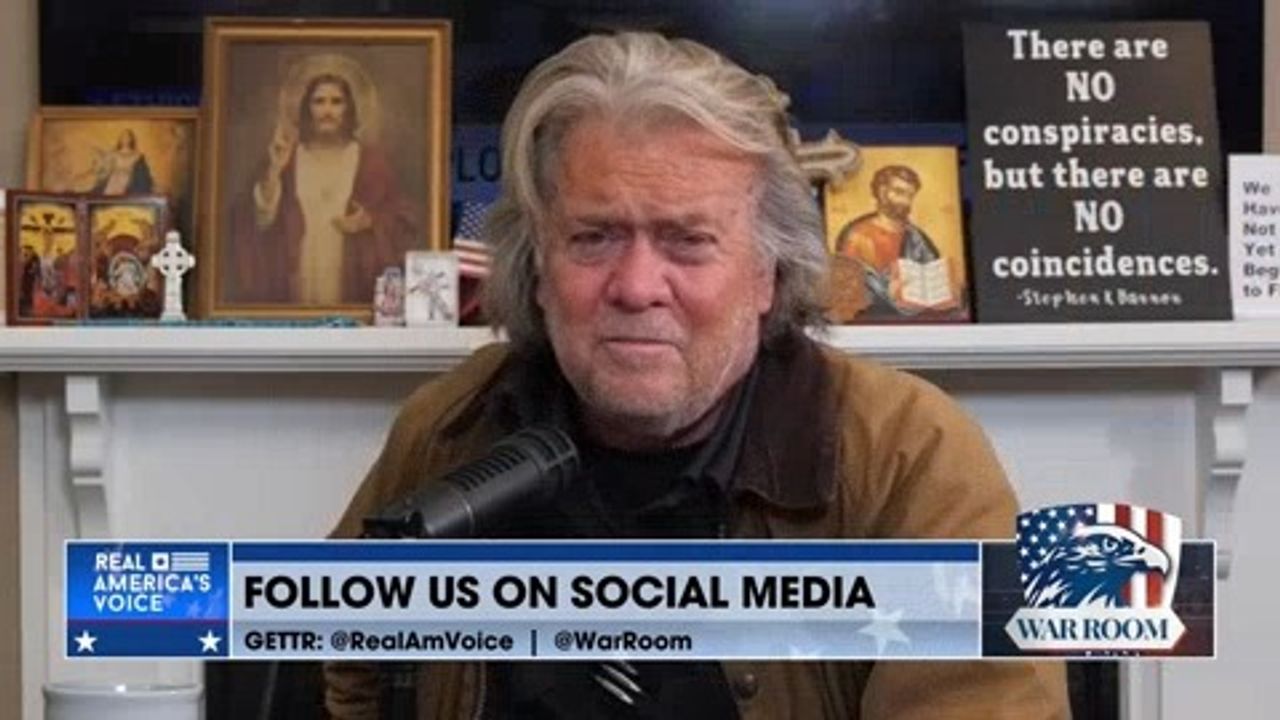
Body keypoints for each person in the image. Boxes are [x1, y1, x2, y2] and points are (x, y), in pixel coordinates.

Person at [326, 32, 1069, 719]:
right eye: (594, 237)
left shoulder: (912, 456)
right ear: (538, 267)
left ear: (768, 274)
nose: (636, 286)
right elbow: (335, 668)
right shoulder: (452, 427)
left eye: (687, 241)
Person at [229, 63, 417, 305]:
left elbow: (402, 218)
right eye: (319, 102)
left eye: (336, 102)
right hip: (298, 277)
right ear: (307, 108)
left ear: (349, 108)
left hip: (351, 277)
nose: (327, 111)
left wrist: (369, 221)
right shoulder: (287, 158)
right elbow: (257, 220)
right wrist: (275, 170)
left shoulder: (372, 163)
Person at [835, 165, 961, 315]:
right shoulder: (857, 235)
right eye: (899, 192)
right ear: (882, 192)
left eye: (910, 195)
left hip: (919, 317)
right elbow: (849, 285)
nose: (905, 201)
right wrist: (888, 290)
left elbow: (933, 274)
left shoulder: (916, 237)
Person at [91, 129, 154, 196]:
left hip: (129, 179)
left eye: (127, 137)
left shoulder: (137, 155)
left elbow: (142, 171)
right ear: (120, 139)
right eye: (123, 137)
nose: (125, 139)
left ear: (131, 139)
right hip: (114, 179)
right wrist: (99, 158)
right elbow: (105, 166)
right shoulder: (114, 153)